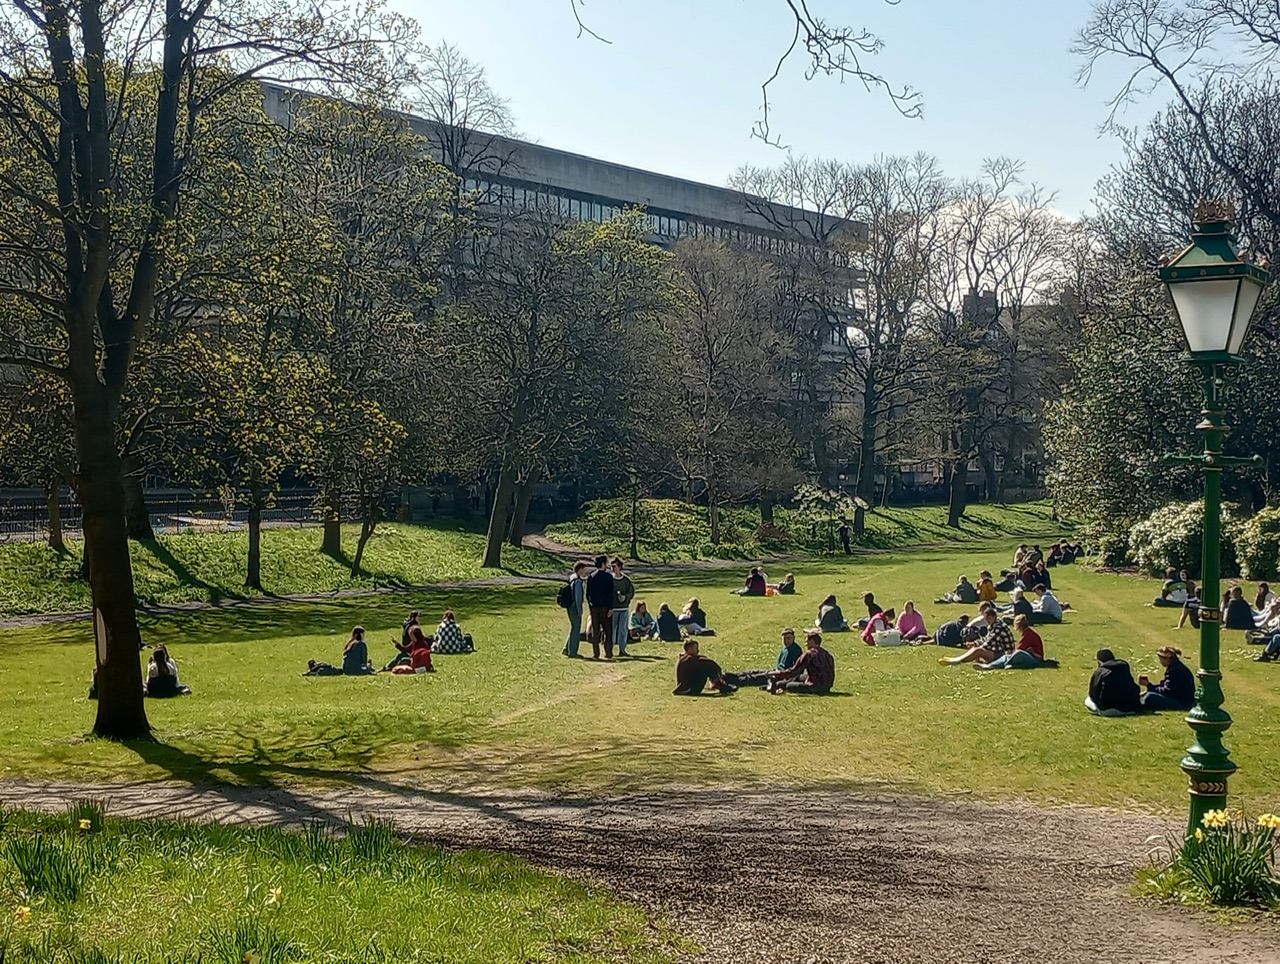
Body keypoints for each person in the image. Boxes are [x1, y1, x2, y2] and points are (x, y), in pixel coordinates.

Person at [724, 628, 804, 689]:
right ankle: (730, 676)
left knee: (754, 678)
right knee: (752, 672)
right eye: (784, 638)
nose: (786, 641)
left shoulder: (796, 650)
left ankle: (731, 680)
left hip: (780, 675)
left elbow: (796, 671)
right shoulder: (784, 649)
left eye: (788, 638)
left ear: (794, 638)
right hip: (775, 671)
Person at [766, 629, 835, 694]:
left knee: (789, 685)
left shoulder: (809, 654)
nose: (806, 644)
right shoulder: (828, 654)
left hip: (814, 687)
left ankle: (777, 685)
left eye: (807, 641)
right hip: (827, 686)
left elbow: (793, 671)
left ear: (812, 641)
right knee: (799, 677)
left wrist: (777, 673)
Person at [938, 608, 1014, 666]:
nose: (987, 621)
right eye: (986, 618)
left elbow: (988, 643)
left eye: (989, 618)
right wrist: (975, 643)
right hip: (998, 652)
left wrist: (977, 646)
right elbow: (986, 638)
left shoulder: (999, 627)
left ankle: (957, 661)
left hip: (1005, 655)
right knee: (976, 648)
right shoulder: (994, 624)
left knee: (978, 651)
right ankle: (956, 659)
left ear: (994, 616)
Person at [976, 614, 1054, 670]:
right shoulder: (1027, 633)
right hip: (1030, 656)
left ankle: (1004, 664)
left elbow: (1020, 648)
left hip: (1036, 659)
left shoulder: (1028, 634)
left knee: (1017, 653)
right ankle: (990, 665)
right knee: (1008, 655)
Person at [1086, 648, 1142, 716]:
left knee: (1088, 700)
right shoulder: (1124, 667)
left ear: (1099, 661)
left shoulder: (1100, 672)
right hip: (1130, 709)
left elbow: (1093, 694)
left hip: (1108, 710)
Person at [672, 639, 737, 696]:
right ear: (690, 649)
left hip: (687, 687)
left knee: (705, 666)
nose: (698, 651)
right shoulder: (688, 659)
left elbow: (702, 659)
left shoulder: (685, 658)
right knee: (705, 668)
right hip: (688, 689)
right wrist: (718, 670)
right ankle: (719, 684)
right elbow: (708, 662)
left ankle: (719, 683)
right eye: (696, 648)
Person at [1140, 646, 1195, 711]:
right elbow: (1165, 686)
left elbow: (1167, 691)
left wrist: (1149, 686)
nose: (1160, 661)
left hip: (1182, 702)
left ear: (1167, 659)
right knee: (1146, 694)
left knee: (1149, 697)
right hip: (1181, 699)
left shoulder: (1176, 671)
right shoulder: (1175, 667)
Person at [586, 555, 616, 659]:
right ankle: (608, 652)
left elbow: (588, 594)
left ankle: (596, 653)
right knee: (608, 631)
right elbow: (610, 594)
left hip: (594, 608)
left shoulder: (591, 577)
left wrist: (590, 607)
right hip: (605, 608)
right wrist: (611, 608)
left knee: (595, 631)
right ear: (603, 564)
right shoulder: (608, 577)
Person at [611, 557, 636, 657]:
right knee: (612, 630)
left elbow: (631, 592)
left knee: (623, 630)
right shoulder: (610, 580)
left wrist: (625, 597)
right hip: (613, 609)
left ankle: (622, 649)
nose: (612, 568)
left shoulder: (626, 580)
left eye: (614, 566)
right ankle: (610, 649)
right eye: (611, 566)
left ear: (619, 567)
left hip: (623, 608)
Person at [563, 560, 587, 658]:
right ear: (580, 569)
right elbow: (577, 597)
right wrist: (579, 610)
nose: (585, 572)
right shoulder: (577, 581)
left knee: (574, 628)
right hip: (574, 608)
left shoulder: (572, 578)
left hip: (570, 607)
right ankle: (573, 652)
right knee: (576, 629)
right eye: (584, 569)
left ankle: (567, 648)